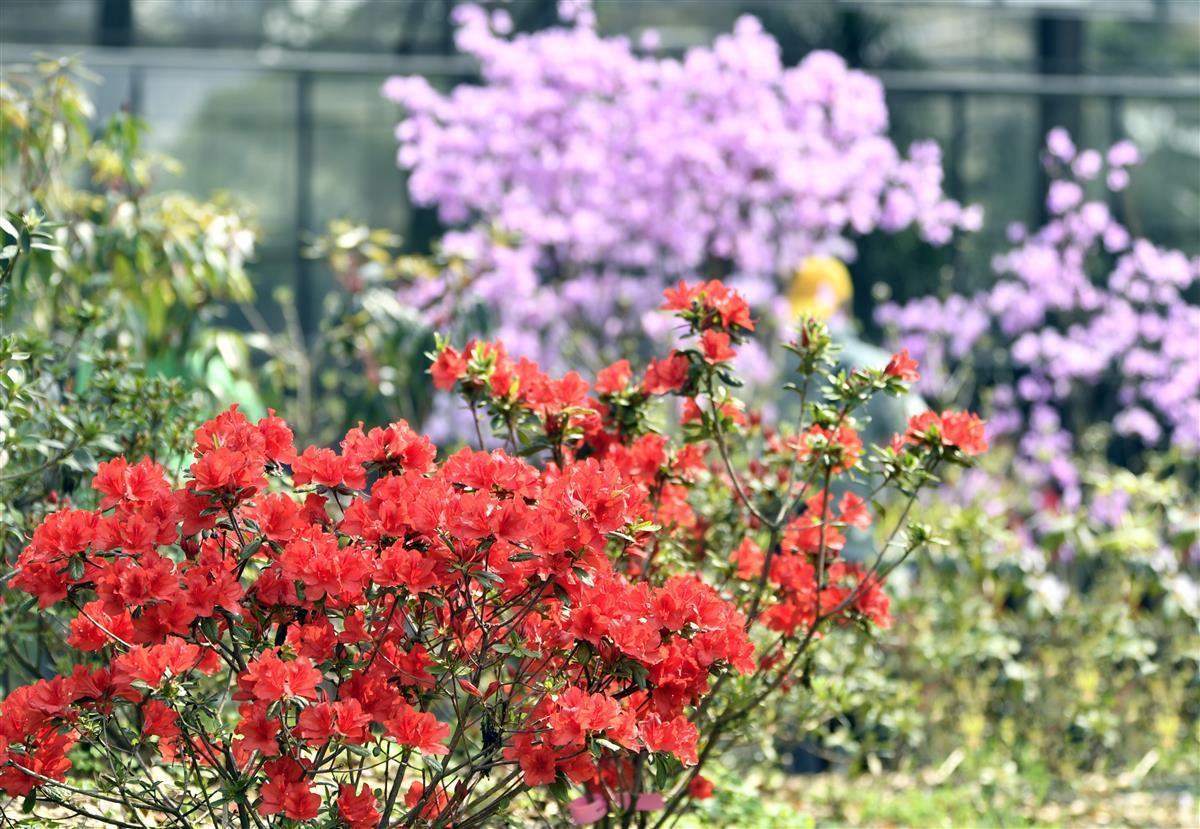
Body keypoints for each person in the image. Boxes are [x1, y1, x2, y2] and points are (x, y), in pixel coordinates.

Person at [782, 255, 926, 561]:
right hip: (861, 547)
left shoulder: (788, 375)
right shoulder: (878, 368)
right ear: (846, 307)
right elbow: (923, 437)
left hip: (796, 547)